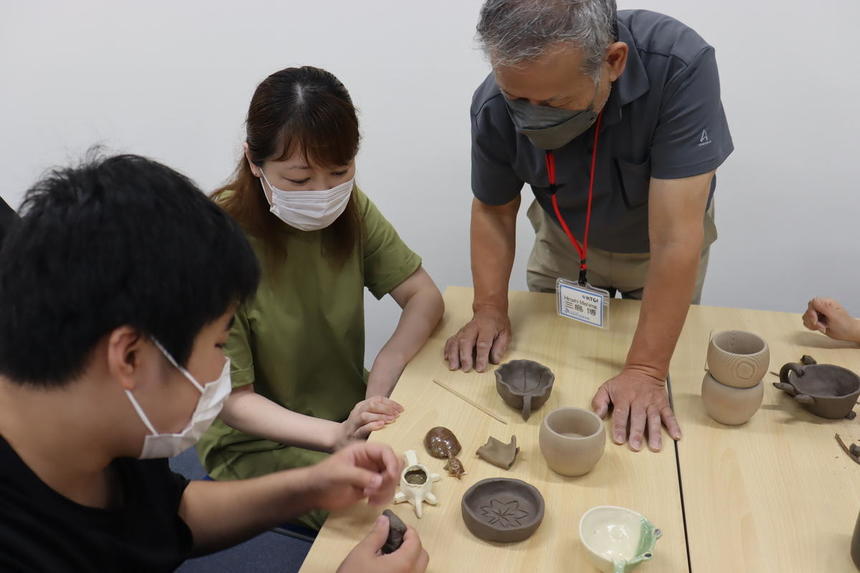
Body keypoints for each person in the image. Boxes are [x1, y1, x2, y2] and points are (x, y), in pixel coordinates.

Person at [0, 153, 428, 572]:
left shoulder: (111, 417)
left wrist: (310, 487)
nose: (224, 370)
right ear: (129, 356)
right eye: (221, 344)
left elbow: (167, 517)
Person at [445, 0, 733, 452]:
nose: (533, 114)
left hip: (661, 253)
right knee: (555, 369)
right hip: (565, 241)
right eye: (519, 100)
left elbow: (676, 237)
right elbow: (494, 210)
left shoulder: (678, 66)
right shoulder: (492, 105)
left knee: (645, 394)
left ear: (613, 61)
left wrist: (644, 371)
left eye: (555, 101)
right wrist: (488, 308)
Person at [197, 66, 444, 529]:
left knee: (446, 482)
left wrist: (379, 383)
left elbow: (423, 296)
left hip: (348, 410)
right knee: (397, 521)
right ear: (254, 160)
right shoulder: (215, 244)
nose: (323, 194)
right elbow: (233, 401)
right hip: (259, 442)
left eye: (340, 171)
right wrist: (337, 435)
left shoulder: (349, 207)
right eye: (297, 180)